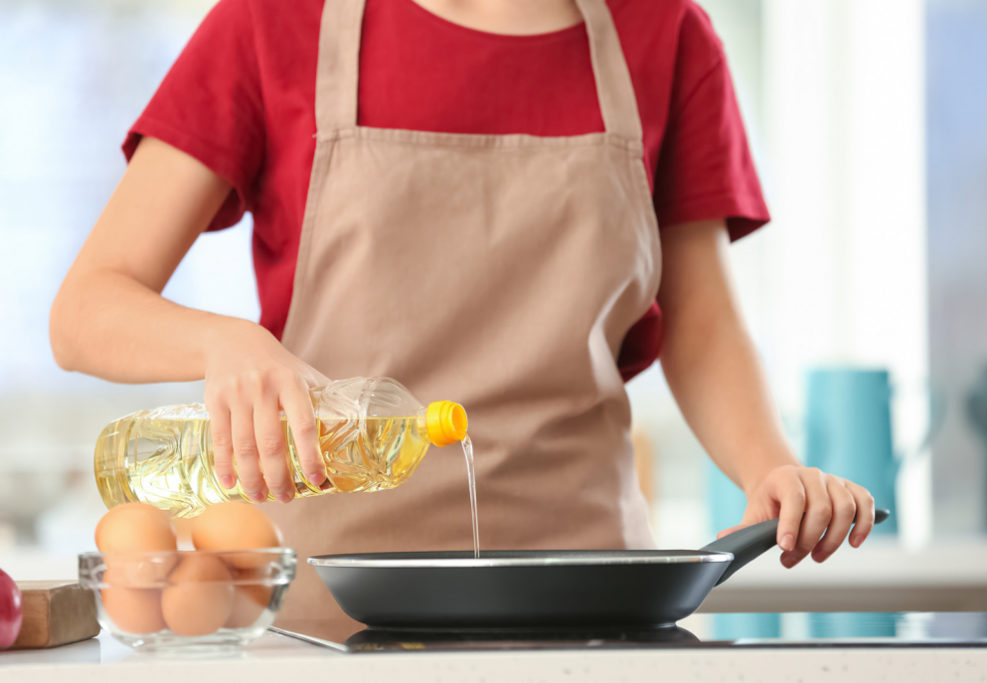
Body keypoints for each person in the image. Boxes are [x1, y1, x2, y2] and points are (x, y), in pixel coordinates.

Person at [50, 0, 876, 631]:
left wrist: (766, 466)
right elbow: (86, 308)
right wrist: (226, 342)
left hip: (588, 614)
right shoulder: (275, 20)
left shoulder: (664, 32)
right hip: (331, 622)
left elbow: (701, 323)